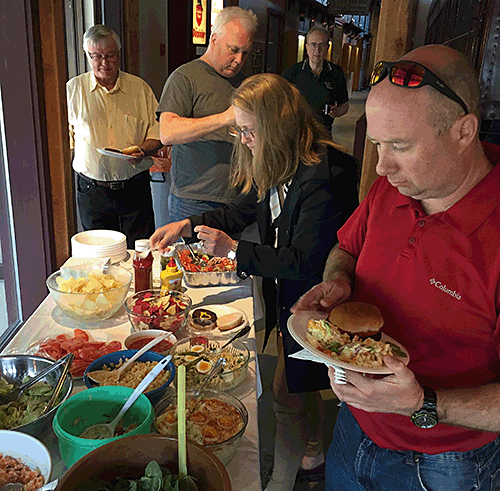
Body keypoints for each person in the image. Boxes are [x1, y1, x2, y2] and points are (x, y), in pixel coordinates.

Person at [292, 44, 500, 491]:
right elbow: (346, 247)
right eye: (377, 144)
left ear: (464, 131)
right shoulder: (394, 187)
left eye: (400, 146)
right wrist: (337, 280)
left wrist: (425, 403)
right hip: (353, 430)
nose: (383, 167)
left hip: (444, 465)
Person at [150, 73, 359, 490]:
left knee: (285, 396)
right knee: (301, 384)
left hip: (315, 302)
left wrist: (232, 250)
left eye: (248, 130)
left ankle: (280, 482)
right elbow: (240, 211)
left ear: (277, 125)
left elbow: (304, 261)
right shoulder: (280, 161)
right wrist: (188, 224)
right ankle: (313, 450)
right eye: (239, 130)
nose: (243, 139)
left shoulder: (327, 173)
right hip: (288, 297)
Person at [156, 7, 257, 222]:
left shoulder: (246, 83)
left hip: (239, 200)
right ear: (213, 39)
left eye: (245, 52)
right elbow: (167, 132)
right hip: (194, 200)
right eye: (233, 49)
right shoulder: (186, 77)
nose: (239, 59)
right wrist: (226, 117)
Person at [67, 25, 162, 248]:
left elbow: (158, 131)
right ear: (87, 55)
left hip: (134, 188)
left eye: (110, 55)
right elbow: (64, 138)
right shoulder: (73, 90)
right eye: (96, 56)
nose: (104, 63)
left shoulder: (140, 89)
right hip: (92, 191)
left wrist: (144, 149)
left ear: (118, 54)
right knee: (100, 257)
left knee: (141, 250)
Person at [282, 25, 349, 133]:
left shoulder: (336, 73)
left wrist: (337, 112)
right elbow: (278, 101)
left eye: (321, 45)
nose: (317, 50)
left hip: (324, 132)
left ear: (327, 48)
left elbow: (345, 105)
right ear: (306, 47)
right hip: (297, 132)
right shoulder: (292, 72)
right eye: (313, 45)